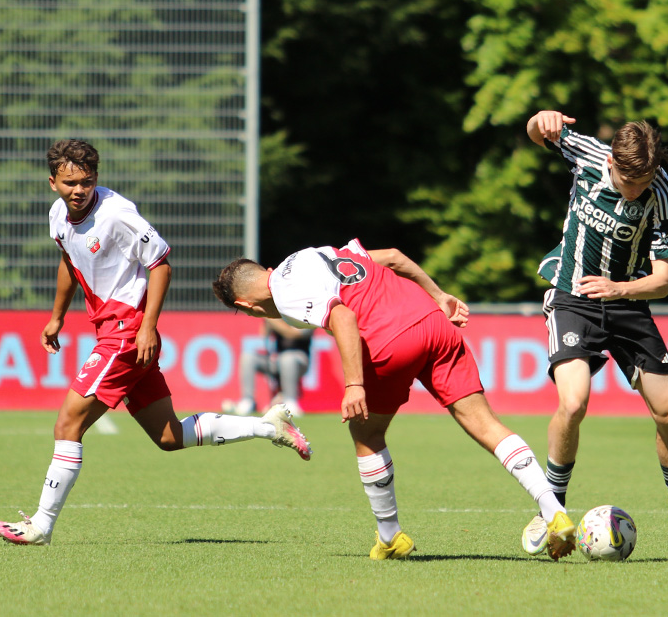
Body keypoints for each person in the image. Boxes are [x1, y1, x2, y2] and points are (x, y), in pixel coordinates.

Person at [0, 139, 311, 546]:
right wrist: (57, 316)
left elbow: (160, 265)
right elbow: (70, 263)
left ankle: (41, 524)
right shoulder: (58, 215)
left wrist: (147, 326)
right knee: (169, 437)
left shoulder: (118, 215)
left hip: (126, 333)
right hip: (111, 331)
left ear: (96, 179)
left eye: (87, 182)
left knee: (67, 423)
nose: (79, 190)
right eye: (71, 182)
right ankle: (268, 426)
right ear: (52, 181)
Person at [212, 239, 577, 560]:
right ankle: (552, 510)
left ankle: (390, 537)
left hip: (388, 340)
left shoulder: (285, 294)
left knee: (367, 437)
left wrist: (354, 385)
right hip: (431, 320)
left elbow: (343, 317)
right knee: (486, 424)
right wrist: (440, 296)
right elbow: (395, 258)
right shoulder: (311, 254)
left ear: (246, 304)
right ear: (268, 269)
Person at [521, 109, 668, 555]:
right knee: (574, 401)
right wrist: (542, 120)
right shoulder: (586, 153)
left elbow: (665, 279)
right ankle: (552, 509)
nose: (638, 191)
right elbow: (537, 133)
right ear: (612, 163)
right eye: (629, 181)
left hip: (628, 301)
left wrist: (619, 289)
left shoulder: (663, 194)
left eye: (645, 182)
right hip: (574, 295)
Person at [225, 319, 312, 417]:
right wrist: (267, 322)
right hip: (277, 359)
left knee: (287, 358)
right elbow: (263, 334)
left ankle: (290, 401)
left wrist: (273, 321)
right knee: (248, 357)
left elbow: (293, 334)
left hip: (299, 360)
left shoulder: (305, 314)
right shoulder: (277, 315)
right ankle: (248, 401)